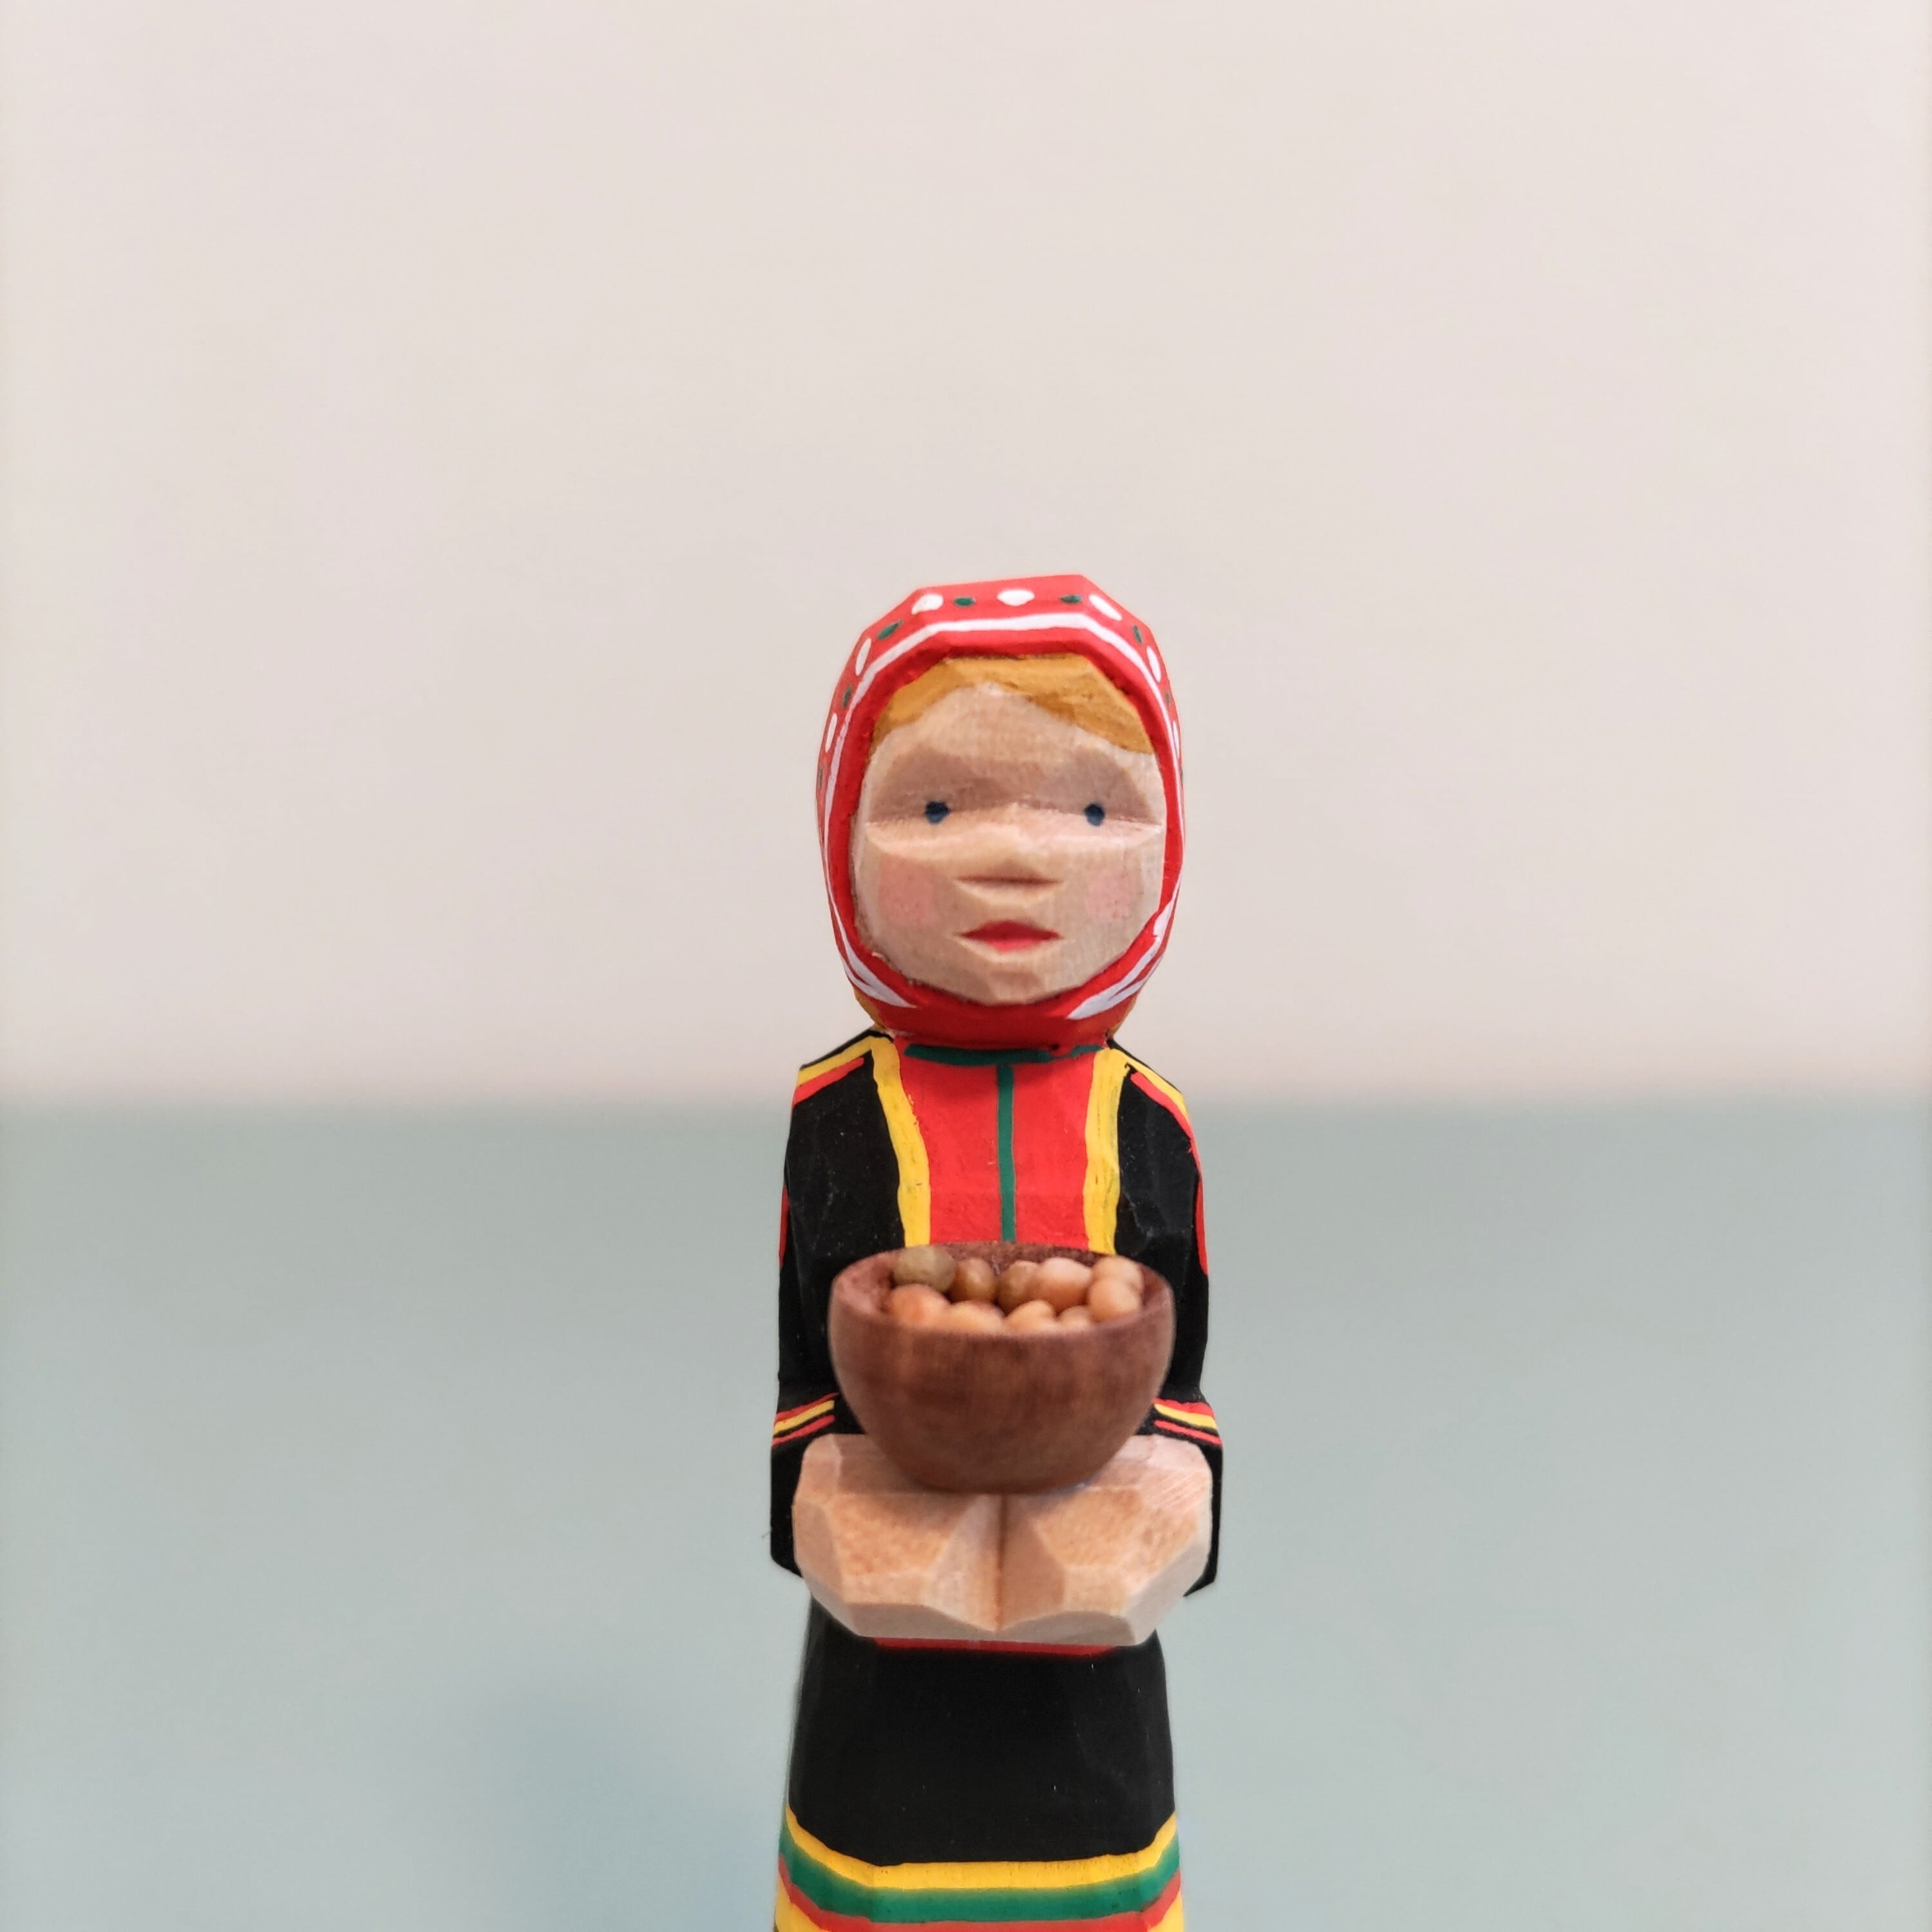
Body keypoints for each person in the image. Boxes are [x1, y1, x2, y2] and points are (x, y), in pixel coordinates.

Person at [769, 576, 1222, 1932]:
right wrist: (833, 1516)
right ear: (841, 831)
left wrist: (1169, 1515)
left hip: (1090, 1695)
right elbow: (801, 1391)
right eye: (935, 807)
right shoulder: (837, 1117)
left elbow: (1186, 1392)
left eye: (1089, 811)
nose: (1015, 859)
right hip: (885, 1683)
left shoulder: (1149, 1124)